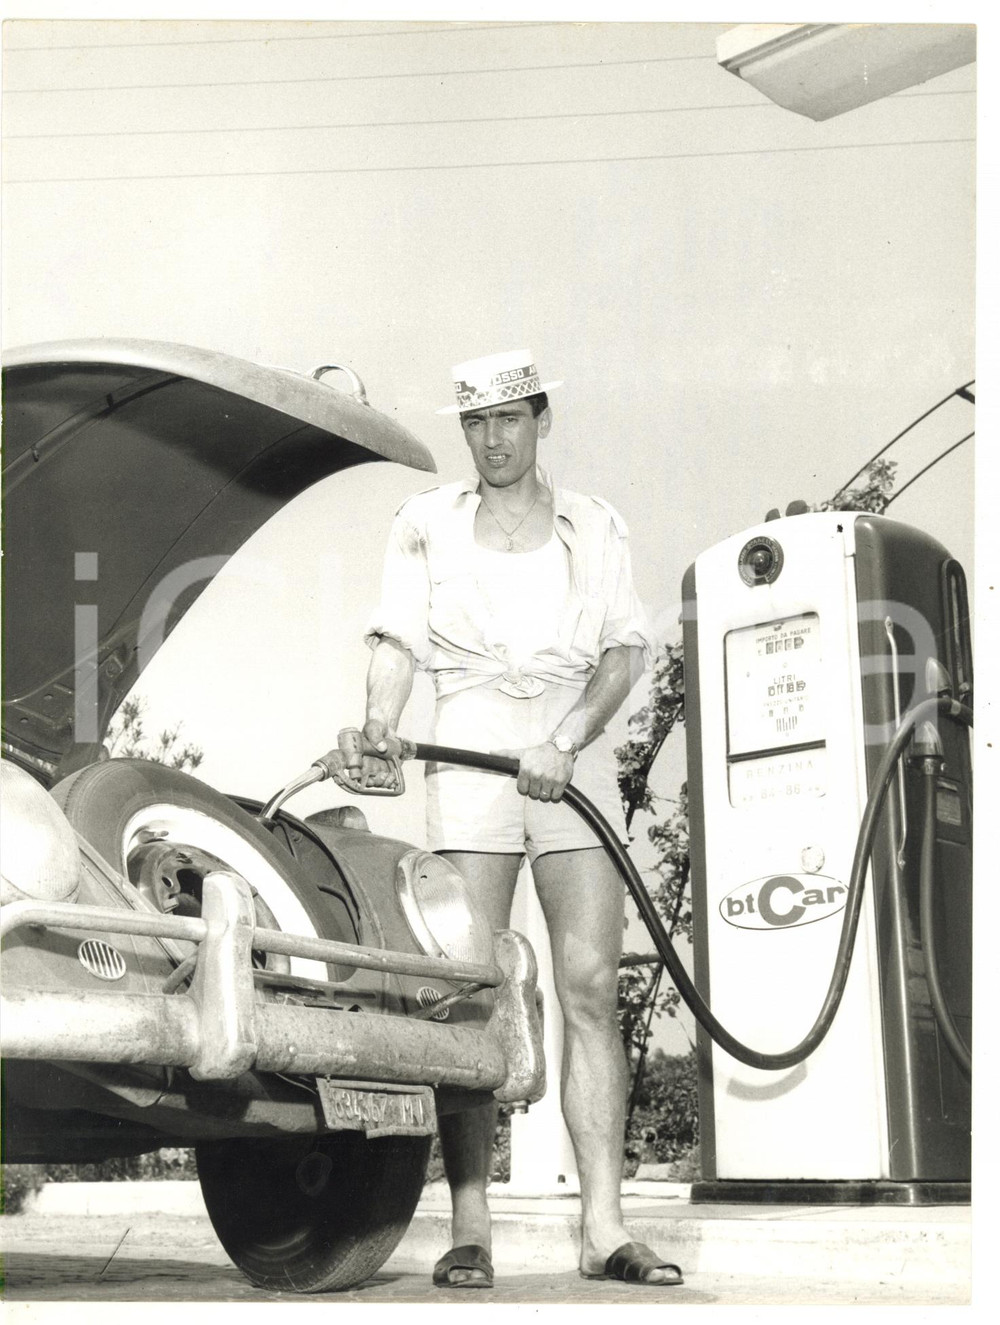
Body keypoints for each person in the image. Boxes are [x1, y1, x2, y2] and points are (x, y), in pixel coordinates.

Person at [345, 350, 683, 1289]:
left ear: (541, 420)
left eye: (510, 420)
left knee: (586, 983)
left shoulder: (595, 524)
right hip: (470, 736)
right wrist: (377, 725)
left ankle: (604, 1227)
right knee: (468, 987)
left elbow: (621, 652)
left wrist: (570, 735)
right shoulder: (424, 524)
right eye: (476, 425)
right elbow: (397, 641)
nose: (494, 442)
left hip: (570, 739)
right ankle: (471, 1226)